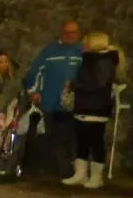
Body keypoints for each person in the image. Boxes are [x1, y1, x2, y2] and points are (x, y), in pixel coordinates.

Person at [61, 32, 125, 189]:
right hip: (85, 106)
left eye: (86, 43)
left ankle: (96, 176)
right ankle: (81, 174)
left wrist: (76, 85)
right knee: (82, 141)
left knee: (95, 142)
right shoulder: (90, 60)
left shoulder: (104, 61)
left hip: (95, 107)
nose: (83, 46)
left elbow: (97, 84)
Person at [24, 20, 83, 178]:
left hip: (77, 104)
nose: (70, 35)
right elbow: (34, 72)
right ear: (61, 33)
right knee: (55, 137)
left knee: (74, 138)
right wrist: (33, 91)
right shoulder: (49, 51)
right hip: (52, 103)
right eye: (67, 32)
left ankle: (73, 171)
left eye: (74, 32)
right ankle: (61, 171)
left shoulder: (82, 51)